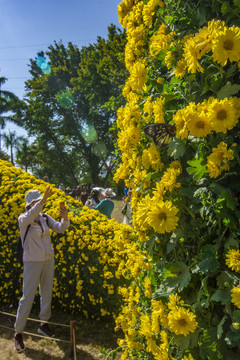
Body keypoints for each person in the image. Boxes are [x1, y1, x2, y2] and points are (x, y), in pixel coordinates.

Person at [14, 185, 70, 353]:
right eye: (36, 202)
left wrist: (65, 217)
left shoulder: (45, 218)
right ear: (29, 205)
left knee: (47, 292)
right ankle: (18, 333)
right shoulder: (23, 218)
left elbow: (61, 228)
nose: (39, 204)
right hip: (32, 261)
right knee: (27, 296)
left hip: (48, 260)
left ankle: (43, 324)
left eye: (40, 201)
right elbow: (31, 215)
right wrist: (43, 200)